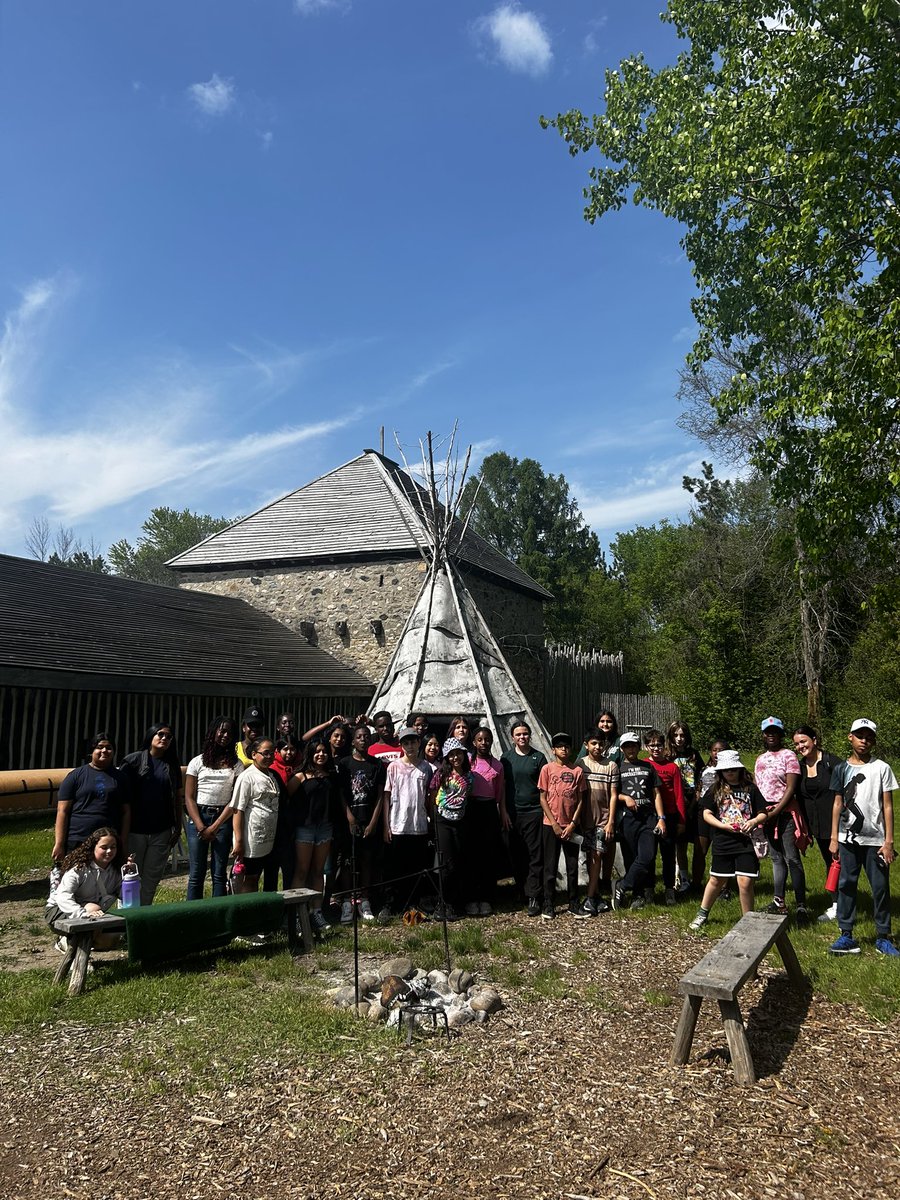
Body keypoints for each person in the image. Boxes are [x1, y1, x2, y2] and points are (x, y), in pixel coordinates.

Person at [828, 718, 899, 957]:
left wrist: (888, 842)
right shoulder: (841, 769)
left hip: (875, 841)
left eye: (869, 737)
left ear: (874, 741)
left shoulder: (882, 768)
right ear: (850, 737)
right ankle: (846, 934)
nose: (864, 741)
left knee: (880, 887)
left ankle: (883, 937)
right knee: (846, 884)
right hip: (847, 840)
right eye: (860, 736)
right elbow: (838, 804)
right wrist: (834, 838)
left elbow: (887, 806)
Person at [689, 751, 768, 930]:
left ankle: (748, 919)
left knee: (745, 881)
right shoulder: (715, 789)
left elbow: (763, 812)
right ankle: (702, 913)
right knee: (717, 879)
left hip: (746, 841)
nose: (730, 772)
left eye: (733, 769)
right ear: (720, 771)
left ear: (740, 769)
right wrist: (722, 826)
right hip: (723, 840)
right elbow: (706, 813)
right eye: (726, 770)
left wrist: (753, 822)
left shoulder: (751, 789)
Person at [118, 723, 182, 905]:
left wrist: (178, 827)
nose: (164, 738)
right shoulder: (132, 761)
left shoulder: (172, 765)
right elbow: (121, 797)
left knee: (151, 880)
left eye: (168, 736)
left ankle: (144, 914)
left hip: (161, 831)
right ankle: (126, 916)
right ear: (151, 735)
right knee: (130, 877)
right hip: (135, 831)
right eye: (160, 734)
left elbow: (177, 798)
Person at [754, 716, 809, 920]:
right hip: (766, 813)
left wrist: (776, 811)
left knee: (791, 858)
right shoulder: (760, 759)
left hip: (784, 813)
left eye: (775, 732)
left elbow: (791, 787)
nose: (771, 735)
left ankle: (801, 904)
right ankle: (779, 901)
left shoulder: (789, 756)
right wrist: (762, 813)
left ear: (781, 734)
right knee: (776, 858)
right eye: (768, 732)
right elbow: (758, 787)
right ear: (763, 735)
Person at [184, 716, 242, 900]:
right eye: (222, 731)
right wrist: (201, 826)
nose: (225, 735)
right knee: (196, 873)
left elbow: (234, 799)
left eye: (230, 733)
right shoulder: (197, 762)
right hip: (198, 818)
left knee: (219, 873)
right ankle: (192, 913)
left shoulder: (236, 764)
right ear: (213, 732)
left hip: (223, 819)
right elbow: (189, 797)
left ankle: (218, 913)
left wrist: (215, 826)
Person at [380, 727, 432, 919]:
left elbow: (429, 796)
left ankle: (413, 903)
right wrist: (386, 825)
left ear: (419, 743)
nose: (410, 746)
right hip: (397, 824)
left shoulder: (426, 768)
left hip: (418, 825)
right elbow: (387, 796)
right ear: (401, 746)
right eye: (406, 743)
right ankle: (390, 904)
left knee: (416, 867)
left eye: (413, 742)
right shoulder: (393, 767)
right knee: (394, 867)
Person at [792, 725, 843, 922]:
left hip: (837, 824)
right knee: (831, 863)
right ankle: (838, 904)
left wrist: (838, 829)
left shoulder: (833, 763)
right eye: (797, 744)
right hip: (816, 826)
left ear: (814, 740)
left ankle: (844, 906)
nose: (800, 746)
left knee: (842, 864)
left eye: (803, 741)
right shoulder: (799, 767)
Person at [289, 738, 340, 934]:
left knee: (318, 872)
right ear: (310, 754)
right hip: (305, 828)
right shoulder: (300, 776)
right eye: (317, 751)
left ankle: (316, 912)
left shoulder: (331, 776)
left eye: (324, 751)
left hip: (325, 827)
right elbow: (286, 798)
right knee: (301, 871)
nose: (321, 755)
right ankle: (296, 915)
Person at [53, 733, 130, 862]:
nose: (104, 750)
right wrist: (59, 843)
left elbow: (126, 812)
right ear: (91, 751)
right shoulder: (75, 776)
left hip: (108, 842)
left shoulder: (121, 778)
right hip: (78, 838)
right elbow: (62, 811)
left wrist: (123, 842)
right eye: (99, 747)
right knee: (76, 873)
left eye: (109, 748)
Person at [336, 725, 385, 924]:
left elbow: (380, 796)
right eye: (359, 737)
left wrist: (373, 822)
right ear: (353, 741)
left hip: (368, 819)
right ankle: (347, 900)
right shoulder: (345, 763)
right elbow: (341, 793)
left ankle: (364, 899)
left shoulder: (377, 764)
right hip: (349, 821)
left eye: (366, 736)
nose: (363, 740)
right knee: (347, 861)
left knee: (366, 860)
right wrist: (349, 818)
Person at [46, 827, 123, 951]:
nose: (109, 851)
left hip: (93, 913)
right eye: (104, 847)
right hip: (60, 911)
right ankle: (69, 946)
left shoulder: (116, 870)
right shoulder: (79, 869)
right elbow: (63, 897)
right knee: (93, 910)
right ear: (93, 848)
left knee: (110, 940)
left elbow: (125, 895)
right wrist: (83, 914)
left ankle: (75, 942)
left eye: (113, 847)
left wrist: (131, 877)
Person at [612, 732, 665, 911]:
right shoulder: (618, 768)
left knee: (647, 856)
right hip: (628, 818)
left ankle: (622, 885)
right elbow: (612, 794)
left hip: (648, 817)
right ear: (622, 749)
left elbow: (656, 794)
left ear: (638, 747)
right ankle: (637, 894)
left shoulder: (648, 767)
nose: (631, 749)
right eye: (627, 746)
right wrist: (625, 798)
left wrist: (661, 818)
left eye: (633, 745)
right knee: (631, 858)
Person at [501, 722, 548, 917]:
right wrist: (503, 811)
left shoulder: (538, 757)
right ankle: (522, 889)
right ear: (512, 737)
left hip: (533, 811)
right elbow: (502, 786)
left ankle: (534, 895)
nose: (522, 737)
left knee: (534, 855)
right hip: (513, 813)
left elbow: (545, 787)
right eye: (518, 734)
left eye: (525, 734)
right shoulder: (506, 758)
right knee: (517, 854)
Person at [538, 733, 587, 919]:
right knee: (550, 866)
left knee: (572, 865)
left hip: (571, 826)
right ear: (553, 750)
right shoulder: (547, 769)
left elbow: (581, 800)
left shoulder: (577, 771)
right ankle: (548, 903)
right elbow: (543, 798)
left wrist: (573, 823)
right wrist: (554, 823)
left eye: (567, 746)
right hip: (550, 825)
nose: (564, 749)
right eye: (560, 747)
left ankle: (573, 902)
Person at [465, 726, 509, 916]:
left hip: (489, 809)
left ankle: (486, 897)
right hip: (471, 809)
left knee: (488, 854)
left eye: (487, 739)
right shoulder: (468, 762)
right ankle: (471, 897)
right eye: (480, 740)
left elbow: (500, 793)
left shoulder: (497, 765)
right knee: (471, 854)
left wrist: (503, 812)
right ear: (474, 742)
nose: (484, 743)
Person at [431, 739, 475, 921]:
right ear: (447, 758)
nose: (456, 757)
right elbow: (432, 794)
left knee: (458, 860)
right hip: (442, 820)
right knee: (445, 862)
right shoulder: (441, 774)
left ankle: (456, 902)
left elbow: (468, 796)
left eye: (459, 754)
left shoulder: (469, 776)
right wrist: (432, 817)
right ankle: (443, 902)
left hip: (461, 820)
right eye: (452, 755)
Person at [576, 731, 619, 915]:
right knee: (590, 856)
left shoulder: (611, 766)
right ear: (586, 745)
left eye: (601, 744)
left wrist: (611, 821)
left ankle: (589, 897)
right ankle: (595, 895)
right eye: (594, 743)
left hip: (603, 819)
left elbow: (614, 795)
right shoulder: (581, 764)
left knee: (597, 855)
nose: (597, 747)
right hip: (585, 820)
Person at [231, 739, 281, 895]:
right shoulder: (247, 777)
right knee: (251, 878)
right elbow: (238, 810)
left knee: (265, 876)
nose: (269, 757)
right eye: (265, 753)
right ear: (254, 754)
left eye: (272, 753)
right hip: (252, 840)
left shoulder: (272, 775)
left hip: (269, 839)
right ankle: (248, 908)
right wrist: (239, 841)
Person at [644, 729, 686, 906]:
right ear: (646, 747)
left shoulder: (672, 767)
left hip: (669, 816)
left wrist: (681, 820)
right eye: (652, 745)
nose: (656, 749)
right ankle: (649, 890)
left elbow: (678, 794)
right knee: (649, 854)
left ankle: (670, 890)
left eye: (659, 745)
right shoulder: (644, 765)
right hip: (648, 816)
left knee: (668, 854)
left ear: (664, 746)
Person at [666, 721, 706, 894]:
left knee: (698, 843)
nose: (679, 739)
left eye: (682, 735)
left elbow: (702, 777)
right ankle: (683, 878)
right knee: (680, 844)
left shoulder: (694, 754)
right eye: (675, 735)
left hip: (694, 801)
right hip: (676, 802)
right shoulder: (668, 755)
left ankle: (697, 880)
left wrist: (696, 799)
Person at [264, 737, 299, 893]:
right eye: (285, 749)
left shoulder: (300, 767)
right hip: (274, 824)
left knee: (289, 868)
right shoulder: (271, 769)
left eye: (292, 749)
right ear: (277, 751)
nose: (289, 753)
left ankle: (289, 904)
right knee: (271, 869)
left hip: (293, 824)